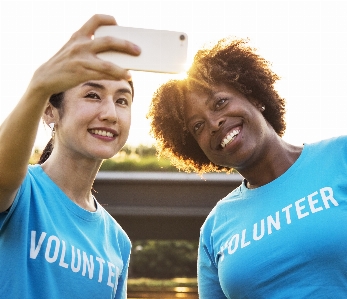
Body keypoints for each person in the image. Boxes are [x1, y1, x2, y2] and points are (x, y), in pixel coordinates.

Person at [147, 37, 347, 298]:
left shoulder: (340, 156)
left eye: (220, 103)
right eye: (198, 126)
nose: (215, 123)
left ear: (254, 96)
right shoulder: (215, 228)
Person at [0, 14, 141, 298]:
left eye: (122, 100)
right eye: (92, 95)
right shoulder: (19, 193)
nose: (110, 114)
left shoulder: (117, 242)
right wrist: (39, 85)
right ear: (51, 111)